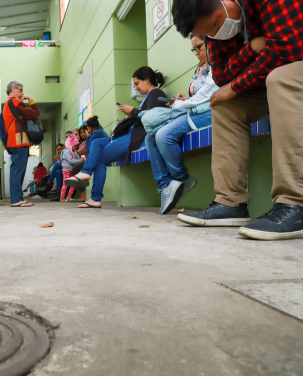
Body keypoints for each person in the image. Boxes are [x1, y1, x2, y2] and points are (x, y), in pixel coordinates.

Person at [172, 0, 303, 240]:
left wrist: (236, 85)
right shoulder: (214, 29)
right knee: (224, 104)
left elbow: (287, 48)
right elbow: (221, 75)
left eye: (214, 24)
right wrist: (252, 49)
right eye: (206, 33)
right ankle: (230, 202)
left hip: (293, 66)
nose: (214, 34)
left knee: (280, 79)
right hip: (268, 76)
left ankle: (295, 203)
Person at [66, 66, 168, 208]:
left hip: (136, 137)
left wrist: (132, 111)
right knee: (96, 143)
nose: (136, 88)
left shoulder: (156, 93)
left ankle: (93, 193)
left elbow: (151, 118)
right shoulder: (148, 97)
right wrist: (132, 113)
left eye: (137, 84)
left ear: (147, 80)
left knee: (100, 158)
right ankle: (85, 173)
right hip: (130, 134)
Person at [146, 34, 218, 214]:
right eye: (193, 49)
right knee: (150, 137)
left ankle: (182, 179)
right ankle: (165, 185)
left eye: (198, 47)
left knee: (163, 135)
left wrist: (181, 104)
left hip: (210, 111)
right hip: (195, 109)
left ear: (211, 43)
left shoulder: (218, 63)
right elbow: (199, 96)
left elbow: (208, 95)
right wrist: (185, 100)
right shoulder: (201, 67)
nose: (196, 53)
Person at [2, 81, 40, 207]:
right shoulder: (13, 101)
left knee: (18, 170)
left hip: (15, 139)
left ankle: (18, 198)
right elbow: (34, 114)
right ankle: (16, 200)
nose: (22, 92)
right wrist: (31, 100)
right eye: (20, 89)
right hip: (18, 139)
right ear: (13, 89)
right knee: (18, 170)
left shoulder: (10, 102)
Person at [60, 135, 80, 202]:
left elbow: (78, 159)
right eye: (73, 146)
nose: (75, 147)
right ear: (69, 145)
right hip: (66, 170)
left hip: (71, 170)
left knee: (74, 183)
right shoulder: (67, 151)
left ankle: (69, 196)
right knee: (65, 184)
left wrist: (79, 159)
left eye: (75, 146)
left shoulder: (75, 152)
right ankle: (62, 197)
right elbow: (71, 160)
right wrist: (80, 161)